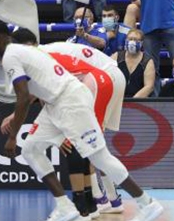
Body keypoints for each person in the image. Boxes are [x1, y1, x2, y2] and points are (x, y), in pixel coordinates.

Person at [0, 22, 163, 221]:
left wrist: (12, 136)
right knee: (31, 149)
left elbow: (24, 97)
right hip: (55, 104)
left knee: (98, 156)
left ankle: (146, 203)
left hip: (72, 100)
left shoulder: (11, 55)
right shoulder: (19, 52)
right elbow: (32, 92)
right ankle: (65, 207)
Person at [36, 39, 128, 218]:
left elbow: (49, 97)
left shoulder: (39, 60)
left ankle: (93, 202)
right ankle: (109, 199)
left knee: (86, 143)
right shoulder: (45, 52)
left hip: (101, 79)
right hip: (112, 77)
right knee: (93, 143)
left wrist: (60, 132)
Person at [113, 28, 157, 98]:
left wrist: (133, 101)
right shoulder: (116, 56)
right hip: (117, 98)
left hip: (138, 101)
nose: (132, 42)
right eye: (130, 39)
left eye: (136, 40)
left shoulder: (147, 61)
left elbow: (149, 86)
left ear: (141, 43)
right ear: (126, 41)